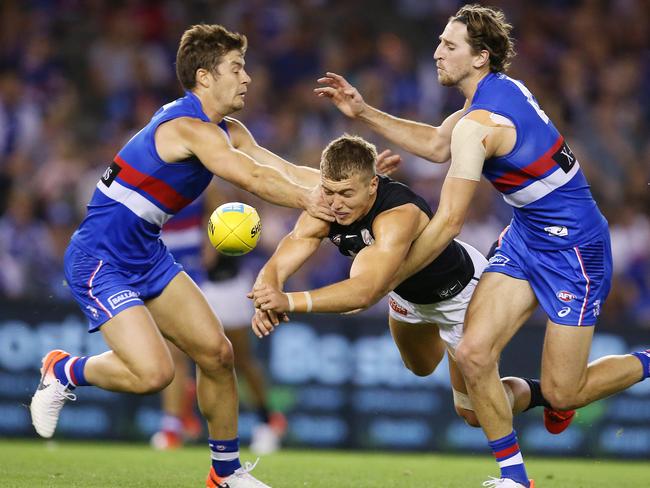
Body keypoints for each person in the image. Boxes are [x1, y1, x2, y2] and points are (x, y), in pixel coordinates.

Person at [314, 5, 650, 487]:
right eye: (439, 42)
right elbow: (434, 144)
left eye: (449, 46)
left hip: (575, 248)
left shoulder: (479, 125)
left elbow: (449, 221)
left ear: (480, 57)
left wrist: (387, 276)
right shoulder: (495, 95)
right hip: (526, 236)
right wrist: (363, 112)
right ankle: (515, 478)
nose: (437, 53)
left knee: (564, 392)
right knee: (472, 354)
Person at [30, 23, 334, 488]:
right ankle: (63, 369)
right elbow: (250, 177)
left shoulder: (223, 128)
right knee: (154, 373)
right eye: (237, 68)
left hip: (147, 255)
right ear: (205, 77)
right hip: (99, 259)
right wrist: (309, 203)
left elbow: (279, 167)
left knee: (217, 353)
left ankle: (225, 475)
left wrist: (344, 188)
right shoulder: (187, 128)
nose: (248, 78)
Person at [250, 134, 569, 434]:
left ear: (372, 185)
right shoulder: (324, 206)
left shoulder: (397, 214)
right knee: (420, 367)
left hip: (460, 294)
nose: (336, 204)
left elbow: (364, 293)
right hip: (407, 295)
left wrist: (288, 301)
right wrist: (265, 294)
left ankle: (546, 395)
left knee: (472, 415)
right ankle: (455, 349)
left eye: (347, 193)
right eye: (330, 191)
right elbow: (288, 252)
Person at [151, 187, 286, 454]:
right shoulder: (149, 179)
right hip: (172, 275)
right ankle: (172, 427)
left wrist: (211, 246)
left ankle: (266, 419)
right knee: (175, 354)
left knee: (238, 358)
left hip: (218, 282)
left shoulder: (204, 181)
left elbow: (222, 221)